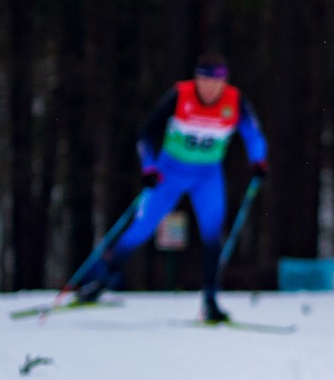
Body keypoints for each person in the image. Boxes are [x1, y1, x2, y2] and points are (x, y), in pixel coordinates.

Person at [72, 53, 268, 324]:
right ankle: (100, 282)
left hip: (208, 176)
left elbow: (253, 134)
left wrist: (258, 160)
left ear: (225, 83)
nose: (210, 88)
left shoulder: (235, 101)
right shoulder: (180, 95)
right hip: (170, 172)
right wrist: (149, 168)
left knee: (213, 234)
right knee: (140, 230)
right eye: (205, 81)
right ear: (196, 79)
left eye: (216, 82)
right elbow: (146, 133)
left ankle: (210, 301)